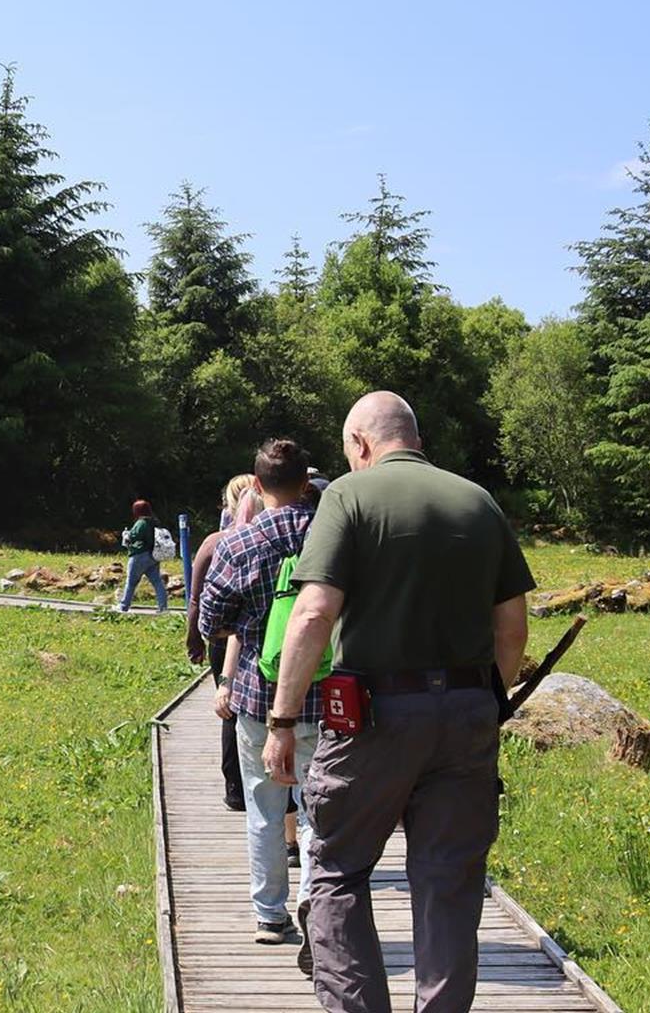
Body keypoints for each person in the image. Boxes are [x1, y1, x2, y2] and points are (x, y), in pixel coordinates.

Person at [263, 392, 535, 1012]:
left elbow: (311, 613)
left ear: (359, 444)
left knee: (337, 873)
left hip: (375, 719)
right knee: (449, 886)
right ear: (412, 435)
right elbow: (512, 626)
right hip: (468, 715)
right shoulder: (478, 501)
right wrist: (485, 698)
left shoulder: (346, 498)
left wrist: (282, 719)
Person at [197, 440, 328, 954]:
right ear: (306, 484)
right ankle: (319, 904)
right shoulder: (332, 535)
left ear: (255, 485)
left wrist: (250, 628)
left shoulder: (238, 542)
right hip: (325, 696)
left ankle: (270, 916)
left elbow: (210, 622)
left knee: (264, 810)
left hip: (257, 694)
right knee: (322, 812)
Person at [186, 473, 261, 810]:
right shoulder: (276, 539)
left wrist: (194, 638)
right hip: (265, 635)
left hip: (221, 636)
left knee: (229, 708)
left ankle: (235, 788)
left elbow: (195, 598)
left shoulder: (215, 542)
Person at [118, 500, 168, 612]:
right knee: (157, 582)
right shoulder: (155, 522)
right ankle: (163, 607)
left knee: (131, 582)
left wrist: (125, 534)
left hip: (139, 556)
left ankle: (123, 606)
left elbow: (132, 536)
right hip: (153, 556)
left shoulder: (141, 522)